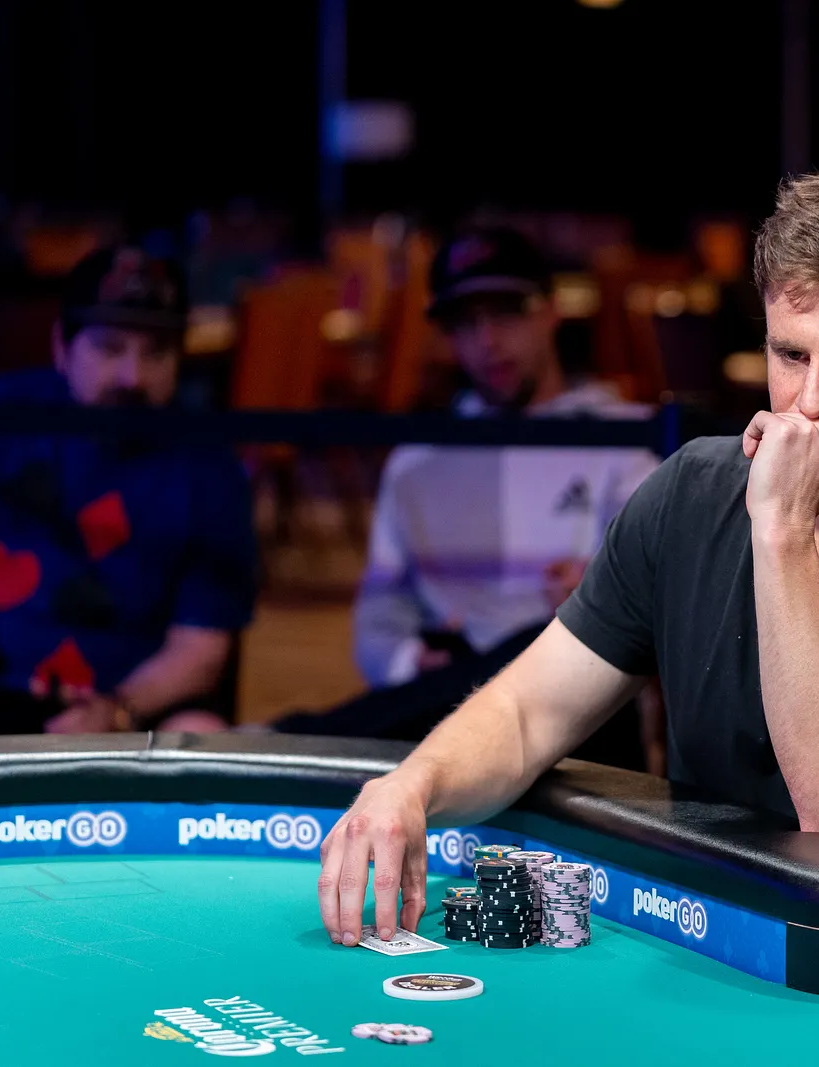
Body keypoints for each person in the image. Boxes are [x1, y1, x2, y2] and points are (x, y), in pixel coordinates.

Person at [315, 157, 819, 946]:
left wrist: (781, 527)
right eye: (790, 355)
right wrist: (414, 784)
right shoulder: (690, 491)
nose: (811, 400)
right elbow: (524, 714)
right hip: (715, 941)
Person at [273, 226, 660, 765]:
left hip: (581, 716)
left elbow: (658, 601)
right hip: (446, 710)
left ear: (550, 311)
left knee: (561, 644)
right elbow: (380, 612)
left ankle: (292, 742)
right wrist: (409, 661)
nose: (487, 341)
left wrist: (600, 591)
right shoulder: (418, 462)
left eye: (506, 314)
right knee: (481, 689)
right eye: (465, 323)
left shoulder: (621, 443)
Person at [0, 246, 256, 735]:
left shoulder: (210, 466)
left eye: (157, 353)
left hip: (130, 711)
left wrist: (114, 712)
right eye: (110, 348)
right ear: (62, 347)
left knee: (201, 731)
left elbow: (200, 650)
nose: (134, 377)